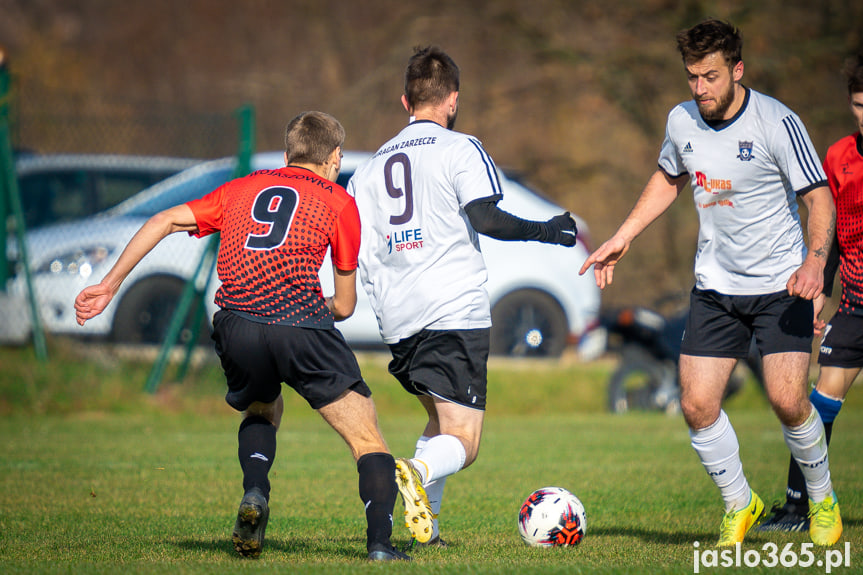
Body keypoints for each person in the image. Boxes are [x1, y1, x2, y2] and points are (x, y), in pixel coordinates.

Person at [74, 111, 410, 562]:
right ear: (334, 157)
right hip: (301, 326)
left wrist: (109, 284)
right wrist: (307, 311)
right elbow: (345, 306)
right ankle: (381, 547)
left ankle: (255, 492)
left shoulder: (242, 187)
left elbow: (164, 220)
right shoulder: (338, 201)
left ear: (289, 152)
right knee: (367, 438)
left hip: (236, 324)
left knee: (261, 406)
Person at [578, 19, 842, 547]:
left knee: (788, 401)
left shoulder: (776, 121)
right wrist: (623, 236)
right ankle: (740, 504)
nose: (700, 89)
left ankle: (823, 499)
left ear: (737, 70)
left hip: (781, 284)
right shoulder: (682, 121)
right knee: (697, 406)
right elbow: (668, 178)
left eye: (711, 77)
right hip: (716, 288)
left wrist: (815, 263)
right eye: (692, 77)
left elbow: (819, 198)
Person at [347, 45, 579, 546]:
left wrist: (377, 295)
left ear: (404, 101)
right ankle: (410, 472)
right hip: (452, 310)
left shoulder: (367, 170)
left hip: (398, 319)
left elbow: (357, 248)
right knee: (465, 442)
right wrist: (549, 230)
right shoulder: (460, 148)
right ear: (451, 100)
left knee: (438, 420)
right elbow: (487, 218)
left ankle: (426, 530)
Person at [758, 54, 863, 533]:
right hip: (857, 306)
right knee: (816, 407)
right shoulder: (840, 156)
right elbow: (836, 232)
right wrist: (819, 282)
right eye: (861, 105)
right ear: (850, 104)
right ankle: (800, 509)